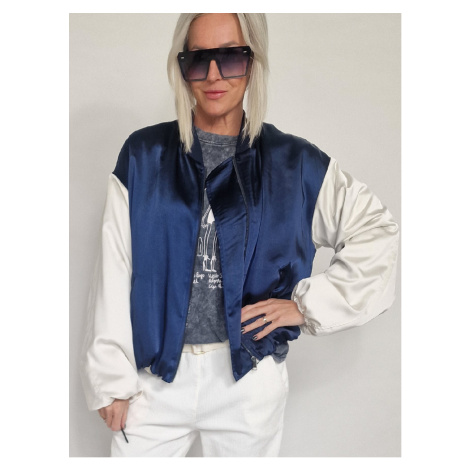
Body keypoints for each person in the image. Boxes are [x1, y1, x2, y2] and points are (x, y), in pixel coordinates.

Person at [80, 13, 399, 457]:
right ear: (182, 67)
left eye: (230, 56)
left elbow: (376, 231)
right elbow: (115, 265)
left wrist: (306, 306)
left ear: (253, 62)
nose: (213, 74)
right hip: (153, 382)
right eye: (198, 59)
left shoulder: (294, 164)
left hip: (248, 382)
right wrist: (110, 378)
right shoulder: (144, 155)